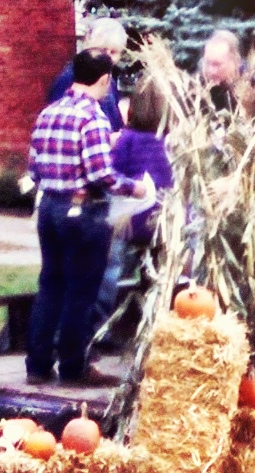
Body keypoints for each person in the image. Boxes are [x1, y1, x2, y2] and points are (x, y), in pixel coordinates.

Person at [26, 48, 146, 386]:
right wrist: (134, 188)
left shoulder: (48, 112)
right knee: (82, 289)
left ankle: (37, 364)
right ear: (105, 79)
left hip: (50, 207)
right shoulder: (93, 117)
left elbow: (34, 167)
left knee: (51, 283)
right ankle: (74, 366)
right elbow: (101, 176)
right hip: (84, 211)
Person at [93, 75, 174, 335]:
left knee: (110, 269)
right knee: (161, 273)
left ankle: (102, 328)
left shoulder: (127, 139)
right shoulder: (171, 141)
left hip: (129, 221)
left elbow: (113, 174)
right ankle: (158, 323)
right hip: (162, 221)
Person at [47, 17, 128, 132]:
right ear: (88, 44)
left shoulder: (110, 82)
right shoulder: (70, 77)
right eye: (103, 50)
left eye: (113, 52)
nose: (108, 57)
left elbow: (116, 124)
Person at [201, 29, 243, 112]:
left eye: (217, 64)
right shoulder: (197, 87)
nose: (211, 70)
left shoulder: (251, 89)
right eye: (208, 63)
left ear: (235, 62)